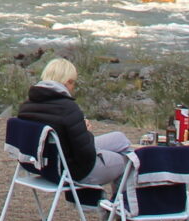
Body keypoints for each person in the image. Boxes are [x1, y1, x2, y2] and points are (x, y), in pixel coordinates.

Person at [15, 57, 135, 187]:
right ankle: (116, 204)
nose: (73, 88)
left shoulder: (26, 107)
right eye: (73, 83)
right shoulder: (68, 108)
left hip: (47, 164)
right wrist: (85, 131)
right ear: (68, 82)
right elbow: (86, 154)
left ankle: (107, 202)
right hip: (73, 170)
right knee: (129, 160)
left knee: (120, 139)